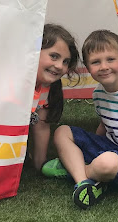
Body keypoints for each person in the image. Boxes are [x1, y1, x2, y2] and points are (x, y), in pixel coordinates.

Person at [42, 29, 118, 209]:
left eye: (110, 59)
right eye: (95, 62)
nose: (104, 66)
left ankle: (74, 169)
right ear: (88, 67)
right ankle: (85, 183)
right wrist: (91, 146)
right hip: (110, 147)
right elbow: (105, 125)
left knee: (105, 163)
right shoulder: (99, 93)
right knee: (62, 131)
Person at [29, 23, 80, 171]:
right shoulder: (13, 82)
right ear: (34, 51)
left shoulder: (46, 87)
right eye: (54, 56)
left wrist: (40, 164)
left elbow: (42, 126)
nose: (59, 66)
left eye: (65, 62)